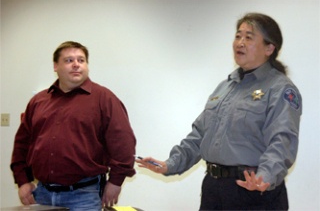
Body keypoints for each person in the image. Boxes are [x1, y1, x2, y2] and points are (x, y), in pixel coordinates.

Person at [136, 13, 302, 210]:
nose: (240, 42)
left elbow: (282, 140)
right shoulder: (225, 88)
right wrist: (170, 164)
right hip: (214, 190)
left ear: (269, 48)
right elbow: (199, 136)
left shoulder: (280, 88)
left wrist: (264, 177)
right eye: (238, 36)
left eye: (249, 37)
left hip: (253, 190)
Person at [10, 41, 136, 210]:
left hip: (84, 196)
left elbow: (123, 142)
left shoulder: (103, 99)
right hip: (42, 194)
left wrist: (116, 181)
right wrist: (23, 181)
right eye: (69, 60)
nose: (76, 65)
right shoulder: (38, 101)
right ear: (56, 66)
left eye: (81, 60)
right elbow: (22, 145)